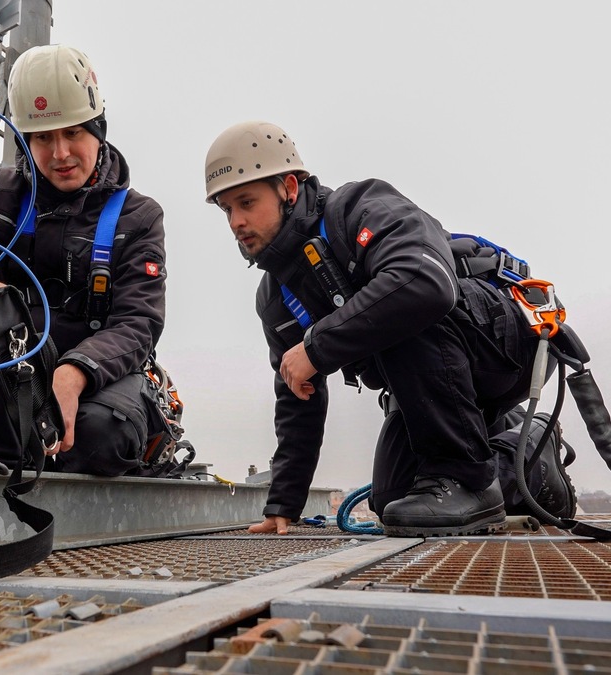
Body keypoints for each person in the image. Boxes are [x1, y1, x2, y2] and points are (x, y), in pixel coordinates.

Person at [202, 120, 575, 537]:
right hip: (436, 377)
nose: (236, 221)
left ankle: (468, 478)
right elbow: (298, 396)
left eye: (247, 202)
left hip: (503, 341)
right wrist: (283, 504)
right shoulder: (276, 297)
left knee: (398, 304)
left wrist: (317, 348)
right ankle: (530, 458)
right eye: (227, 210)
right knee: (395, 500)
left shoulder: (358, 207)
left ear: (289, 187)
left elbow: (425, 282)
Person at [0, 44, 168, 477]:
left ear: (98, 130)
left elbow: (138, 323)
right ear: (24, 141)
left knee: (101, 434)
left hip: (99, 376)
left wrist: (75, 371)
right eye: (43, 138)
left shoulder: (139, 216)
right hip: (12, 366)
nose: (60, 154)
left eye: (72, 133)